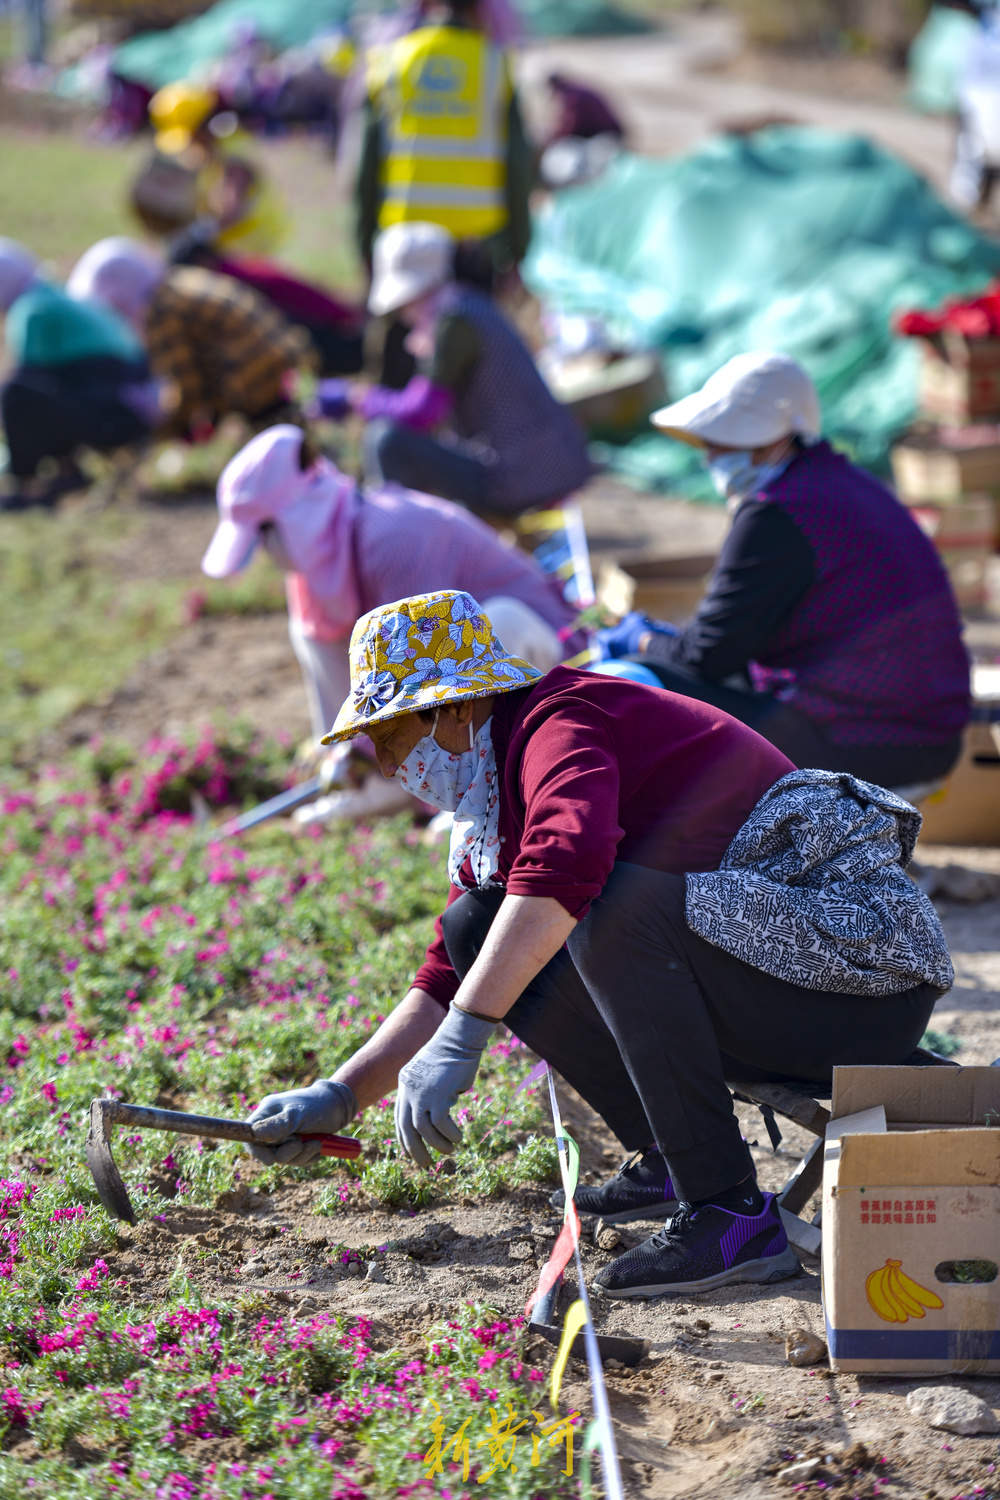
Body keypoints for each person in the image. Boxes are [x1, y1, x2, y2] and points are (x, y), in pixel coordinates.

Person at [244, 587, 953, 1301]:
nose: (390, 760)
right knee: (477, 927)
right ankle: (671, 1157)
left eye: (393, 733)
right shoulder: (497, 781)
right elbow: (446, 973)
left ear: (452, 706)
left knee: (613, 907)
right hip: (772, 986)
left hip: (854, 980)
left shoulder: (559, 722)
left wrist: (465, 1039)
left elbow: (569, 867)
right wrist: (341, 1094)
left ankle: (731, 1214)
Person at [597, 352, 971, 792]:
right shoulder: (846, 484)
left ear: (774, 441)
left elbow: (708, 657)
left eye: (722, 442)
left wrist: (640, 638)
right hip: (928, 738)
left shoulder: (777, 512)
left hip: (860, 742)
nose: (710, 456)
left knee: (628, 684)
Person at [203, 425, 586, 750]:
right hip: (461, 699)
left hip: (551, 666)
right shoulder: (333, 554)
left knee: (498, 622)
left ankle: (482, 784)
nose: (267, 553)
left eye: (265, 535)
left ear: (294, 519)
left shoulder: (393, 538)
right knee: (310, 626)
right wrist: (348, 753)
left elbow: (427, 670)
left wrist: (382, 754)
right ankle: (376, 771)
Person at [326, 222, 593, 516]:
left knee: (386, 440)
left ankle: (397, 534)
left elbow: (422, 412)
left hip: (518, 477)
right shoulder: (468, 305)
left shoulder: (453, 321)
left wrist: (357, 398)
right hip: (545, 466)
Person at [356, 0, 533, 387]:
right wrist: (517, 250)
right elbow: (518, 168)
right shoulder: (493, 65)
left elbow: (366, 169)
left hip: (404, 251)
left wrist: (363, 243)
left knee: (400, 372)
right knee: (468, 377)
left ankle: (393, 441)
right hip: (472, 246)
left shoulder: (390, 62)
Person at [67, 238, 312, 443]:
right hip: (276, 358)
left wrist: (163, 432)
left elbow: (186, 384)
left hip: (254, 377)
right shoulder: (176, 282)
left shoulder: (162, 313)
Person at [0, 240, 159, 511]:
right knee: (45, 390)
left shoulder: (33, 310)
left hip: (120, 417)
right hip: (131, 409)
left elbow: (23, 386)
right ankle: (67, 473)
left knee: (16, 395)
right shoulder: (51, 296)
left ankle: (26, 485)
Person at [146, 83, 290, 256]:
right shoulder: (205, 151)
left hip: (248, 248)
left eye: (191, 136)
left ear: (202, 126)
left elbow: (231, 207)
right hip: (229, 248)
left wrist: (195, 235)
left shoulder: (232, 152)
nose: (188, 145)